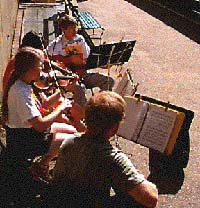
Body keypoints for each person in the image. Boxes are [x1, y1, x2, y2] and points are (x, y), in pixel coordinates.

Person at [48, 91, 158, 208]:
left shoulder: (69, 141)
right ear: (115, 127)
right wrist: (146, 182)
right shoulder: (111, 157)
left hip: (63, 201)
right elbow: (151, 199)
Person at [1, 47, 80, 181]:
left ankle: (41, 165)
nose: (43, 69)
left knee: (72, 131)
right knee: (73, 142)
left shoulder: (27, 84)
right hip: (23, 140)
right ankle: (41, 167)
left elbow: (45, 104)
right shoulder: (20, 91)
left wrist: (65, 88)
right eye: (41, 65)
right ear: (30, 69)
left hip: (30, 133)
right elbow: (40, 125)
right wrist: (60, 109)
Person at [46, 15, 115, 107]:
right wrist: (67, 60)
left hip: (83, 74)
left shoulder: (80, 39)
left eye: (76, 28)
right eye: (71, 29)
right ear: (64, 29)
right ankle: (83, 114)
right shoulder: (56, 44)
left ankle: (99, 106)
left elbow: (88, 58)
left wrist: (103, 64)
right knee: (80, 88)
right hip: (68, 79)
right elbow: (45, 57)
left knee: (108, 81)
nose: (75, 32)